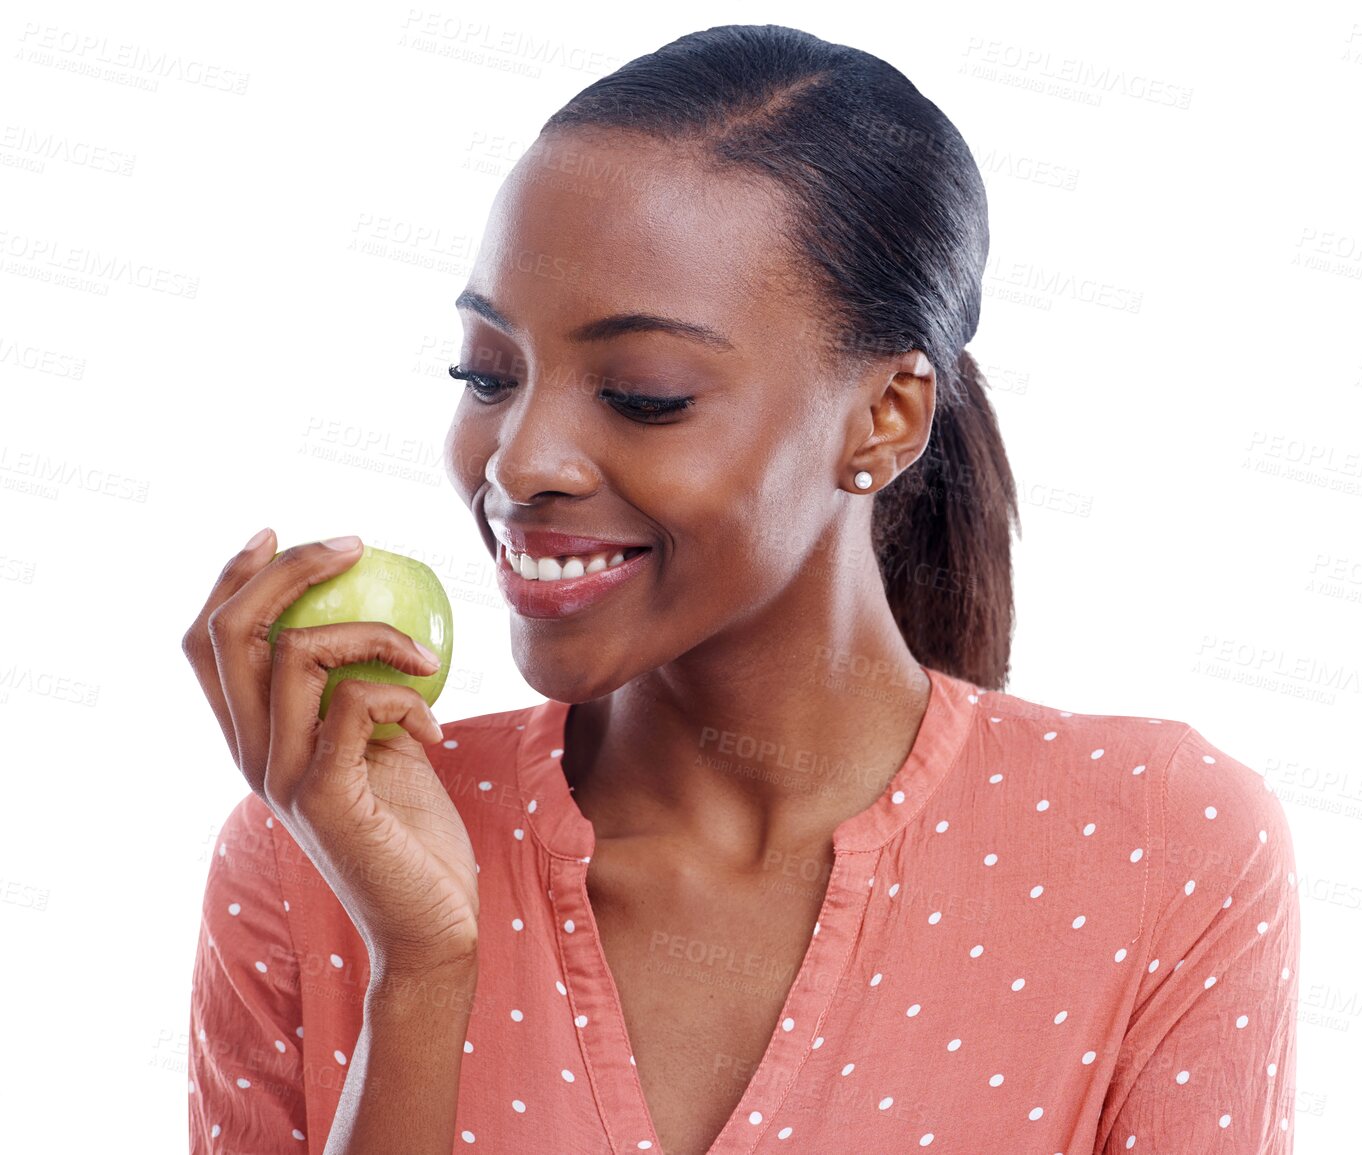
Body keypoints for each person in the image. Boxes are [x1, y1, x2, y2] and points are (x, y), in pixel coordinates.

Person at [183, 23, 1299, 1154]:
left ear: (886, 417)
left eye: (644, 394)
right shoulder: (316, 854)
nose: (520, 462)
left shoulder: (1161, 846)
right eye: (488, 373)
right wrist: (419, 973)